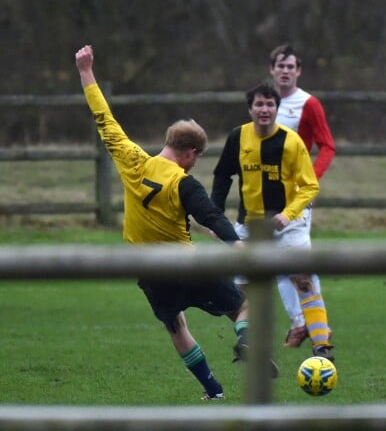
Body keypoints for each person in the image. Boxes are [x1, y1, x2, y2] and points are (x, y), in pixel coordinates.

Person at [75, 45, 278, 402]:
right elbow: (210, 215)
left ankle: (213, 391)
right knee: (242, 305)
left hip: (147, 269)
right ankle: (246, 339)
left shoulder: (133, 160)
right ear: (190, 152)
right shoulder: (183, 182)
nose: (194, 164)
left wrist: (85, 72)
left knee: (176, 324)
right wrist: (236, 243)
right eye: (196, 159)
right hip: (185, 263)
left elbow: (104, 118)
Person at [211, 82, 335, 361]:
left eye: (270, 105)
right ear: (250, 108)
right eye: (259, 104)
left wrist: (287, 214)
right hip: (250, 224)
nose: (264, 110)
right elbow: (222, 177)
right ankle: (252, 345)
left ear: (277, 109)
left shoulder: (291, 141)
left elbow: (310, 186)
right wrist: (215, 217)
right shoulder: (237, 138)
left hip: (289, 224)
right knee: (242, 290)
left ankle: (321, 344)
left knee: (301, 277)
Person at [269, 44, 336, 348]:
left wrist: (310, 181)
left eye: (290, 66)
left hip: (295, 196)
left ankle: (308, 324)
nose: (285, 71)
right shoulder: (264, 103)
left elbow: (327, 146)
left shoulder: (308, 104)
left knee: (295, 260)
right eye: (280, 65)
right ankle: (306, 323)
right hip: (266, 195)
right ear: (272, 70)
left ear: (298, 71)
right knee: (278, 262)